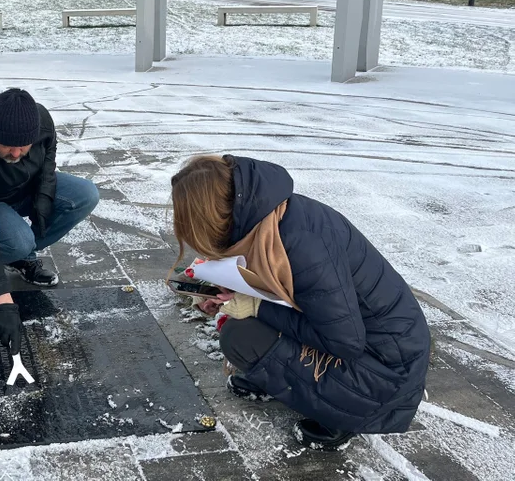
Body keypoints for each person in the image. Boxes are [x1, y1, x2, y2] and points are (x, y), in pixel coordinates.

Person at [170, 154, 430, 449]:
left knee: (241, 336)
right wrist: (225, 289)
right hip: (371, 346)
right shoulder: (268, 217)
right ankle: (280, 378)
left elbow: (345, 342)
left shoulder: (302, 247)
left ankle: (340, 417)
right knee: (247, 325)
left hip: (383, 377)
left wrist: (257, 306)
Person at [0, 88, 99, 355]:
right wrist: (3, 304)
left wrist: (43, 202)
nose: (15, 153)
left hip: (21, 189)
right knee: (16, 240)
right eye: (6, 146)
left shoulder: (41, 120)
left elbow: (47, 167)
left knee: (85, 195)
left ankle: (18, 253)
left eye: (23, 145)